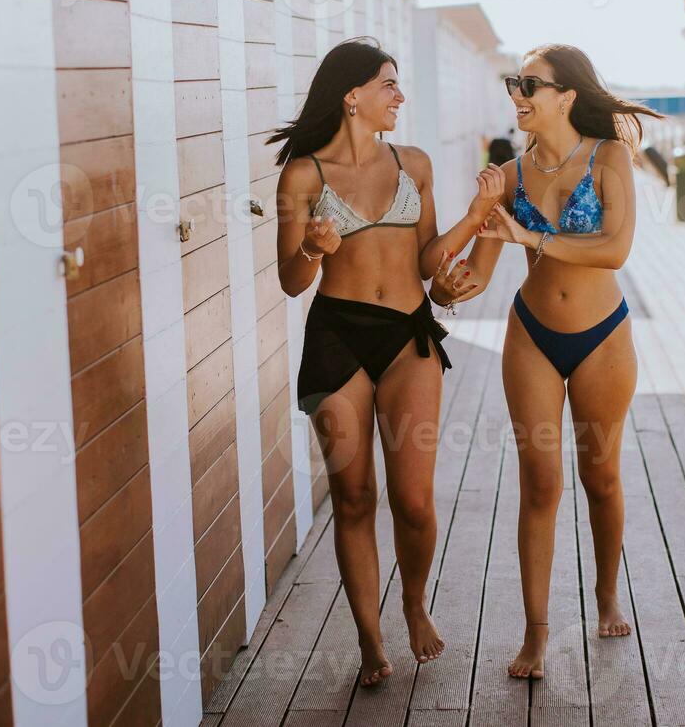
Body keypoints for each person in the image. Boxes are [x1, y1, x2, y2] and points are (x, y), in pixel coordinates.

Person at [269, 37, 497, 686]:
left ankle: (413, 603)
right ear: (353, 95)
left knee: (415, 500)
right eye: (389, 84)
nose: (400, 96)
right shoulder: (303, 175)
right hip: (336, 336)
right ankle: (371, 640)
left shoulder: (414, 163)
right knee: (354, 496)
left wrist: (478, 216)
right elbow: (290, 281)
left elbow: (427, 262)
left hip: (407, 337)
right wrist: (313, 248)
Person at [442, 43, 662, 679]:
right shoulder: (508, 176)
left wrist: (529, 236)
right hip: (532, 334)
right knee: (540, 482)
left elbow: (614, 249)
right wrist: (453, 285)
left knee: (602, 479)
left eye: (528, 84)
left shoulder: (609, 158)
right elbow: (480, 271)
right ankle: (537, 634)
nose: (517, 93)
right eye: (514, 82)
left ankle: (606, 595)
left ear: (565, 96)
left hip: (602, 336)